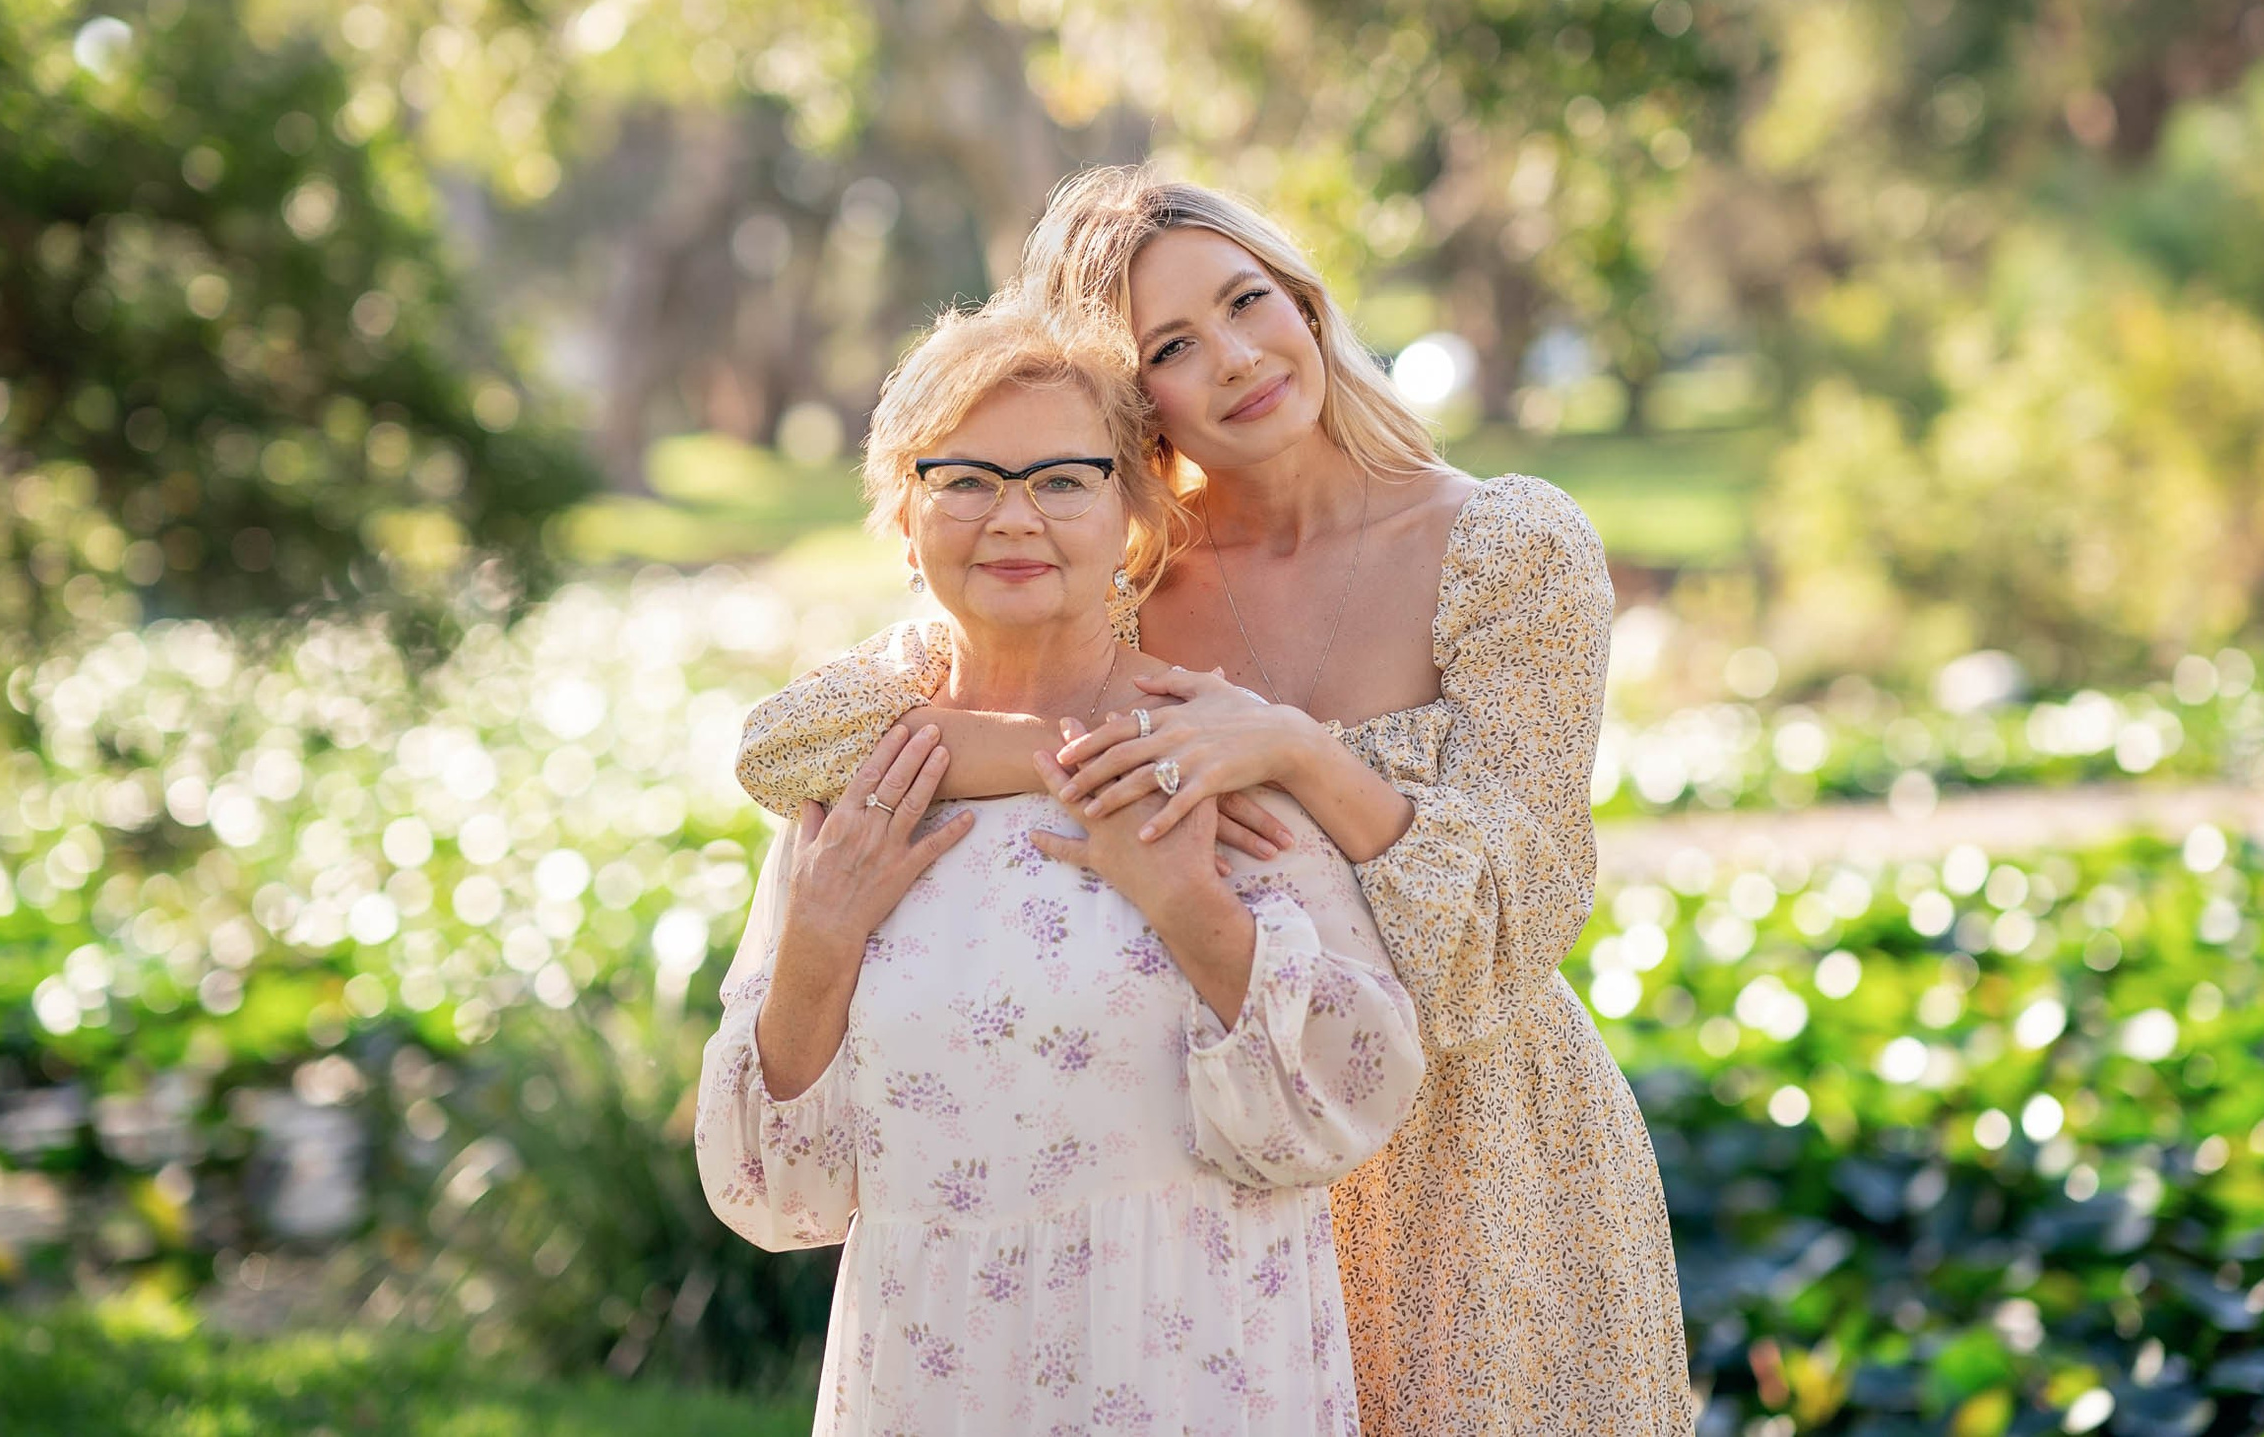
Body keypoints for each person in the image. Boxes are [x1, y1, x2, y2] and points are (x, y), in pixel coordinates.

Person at [735, 167, 1694, 1436]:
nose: (1237, 357)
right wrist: (1091, 747)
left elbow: (1500, 936)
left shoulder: (1510, 547)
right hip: (1209, 1198)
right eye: (1173, 346)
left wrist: (1296, 753)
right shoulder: (1115, 577)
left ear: (1303, 301)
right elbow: (796, 742)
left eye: (1249, 302)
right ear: (1133, 407)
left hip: (1484, 1162)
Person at [696, 302, 1425, 1435]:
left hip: (1193, 1356)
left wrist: (1186, 900)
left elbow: (1352, 1091)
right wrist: (820, 947)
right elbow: (775, 1188)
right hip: (932, 1370)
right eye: (966, 478)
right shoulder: (860, 786)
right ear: (902, 517)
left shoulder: (1212, 747)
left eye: (1063, 479)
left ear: (1135, 511)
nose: (1013, 518)